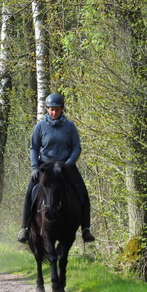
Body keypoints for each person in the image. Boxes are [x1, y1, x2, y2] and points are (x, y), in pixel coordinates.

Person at [17, 93, 95, 244]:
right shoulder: (40, 127)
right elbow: (34, 148)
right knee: (30, 192)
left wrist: (69, 163)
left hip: (65, 166)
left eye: (57, 110)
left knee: (83, 192)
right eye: (51, 109)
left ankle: (86, 229)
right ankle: (25, 228)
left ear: (62, 109)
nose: (54, 112)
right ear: (47, 109)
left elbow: (76, 147)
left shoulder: (69, 126)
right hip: (45, 167)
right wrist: (35, 167)